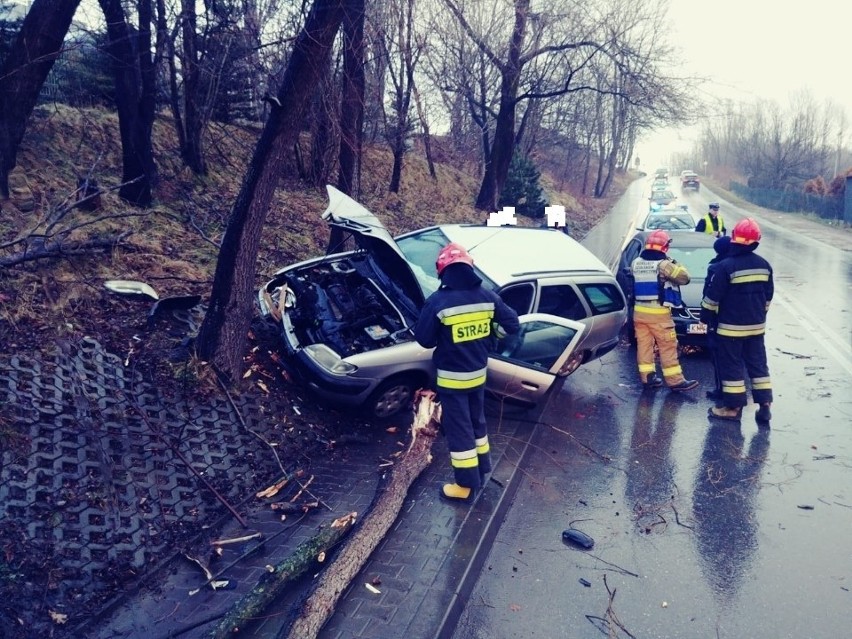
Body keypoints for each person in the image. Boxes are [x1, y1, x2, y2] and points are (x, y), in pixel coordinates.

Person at [414, 242, 520, 503]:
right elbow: (512, 326)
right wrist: (491, 334)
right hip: (478, 376)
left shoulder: (438, 302)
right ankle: (482, 468)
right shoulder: (487, 296)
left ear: (443, 272)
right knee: (477, 424)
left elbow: (425, 341)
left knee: (459, 430)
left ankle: (464, 485)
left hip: (452, 380)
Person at [700, 218, 773, 424]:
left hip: (730, 330)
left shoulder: (725, 267)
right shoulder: (764, 265)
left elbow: (712, 299)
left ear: (734, 240)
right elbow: (768, 297)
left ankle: (732, 409)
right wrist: (759, 315)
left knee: (731, 367)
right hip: (756, 328)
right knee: (758, 366)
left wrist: (706, 317)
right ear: (755, 241)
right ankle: (765, 404)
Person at [631, 230, 699, 392]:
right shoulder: (664, 265)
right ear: (665, 247)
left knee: (644, 346)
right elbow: (684, 278)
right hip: (658, 314)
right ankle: (675, 381)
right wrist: (676, 263)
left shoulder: (636, 262)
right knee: (668, 346)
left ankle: (648, 378)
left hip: (639, 313)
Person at [703, 235, 732, 400]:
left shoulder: (716, 267)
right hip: (737, 319)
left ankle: (721, 391)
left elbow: (709, 295)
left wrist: (705, 315)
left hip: (718, 320)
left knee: (718, 357)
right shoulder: (736, 265)